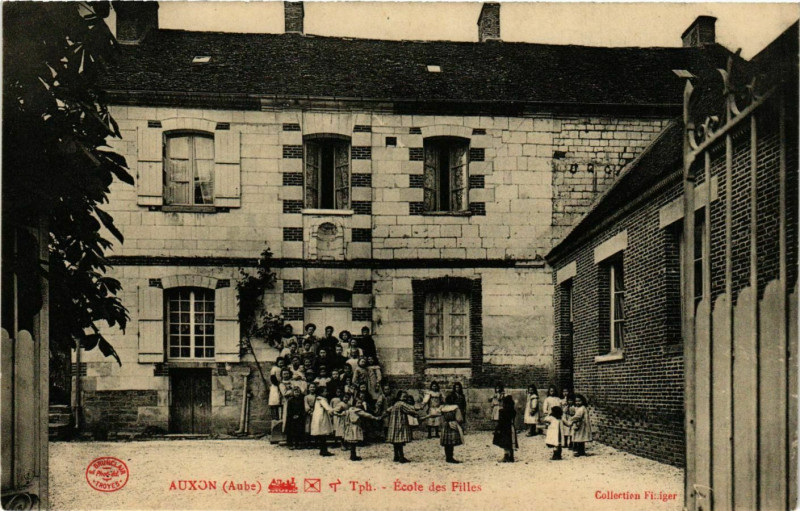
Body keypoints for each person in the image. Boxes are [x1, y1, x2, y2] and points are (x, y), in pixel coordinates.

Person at [386, 390, 427, 463]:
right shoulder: (402, 404)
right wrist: (418, 415)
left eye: (406, 397)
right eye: (404, 397)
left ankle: (396, 456)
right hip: (400, 424)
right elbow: (410, 410)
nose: (405, 398)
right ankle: (401, 457)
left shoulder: (395, 404)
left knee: (396, 442)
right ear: (399, 397)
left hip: (393, 424)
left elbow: (388, 410)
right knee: (400, 441)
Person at [310, 386, 335, 456]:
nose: (326, 393)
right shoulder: (321, 399)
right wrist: (333, 411)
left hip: (318, 417)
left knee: (322, 435)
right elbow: (327, 407)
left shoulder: (318, 399)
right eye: (325, 391)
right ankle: (324, 451)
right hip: (321, 418)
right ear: (321, 393)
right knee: (323, 435)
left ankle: (322, 450)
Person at [439, 393, 465, 463]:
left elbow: (440, 417)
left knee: (446, 442)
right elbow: (459, 419)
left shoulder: (443, 408)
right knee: (451, 442)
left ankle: (448, 456)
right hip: (453, 424)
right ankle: (450, 457)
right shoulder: (456, 408)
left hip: (445, 424)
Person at [493, 395, 518, 462]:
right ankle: (511, 456)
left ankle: (506, 456)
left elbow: (501, 422)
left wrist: (497, 429)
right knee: (511, 443)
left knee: (505, 443)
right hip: (511, 427)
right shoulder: (513, 411)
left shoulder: (502, 411)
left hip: (504, 429)